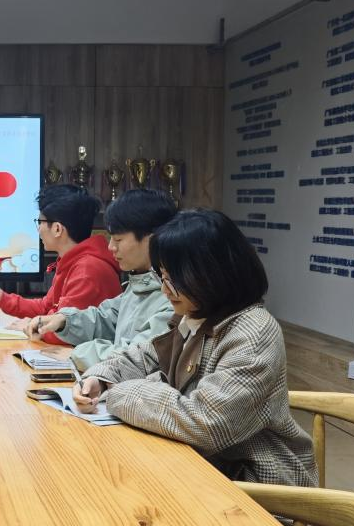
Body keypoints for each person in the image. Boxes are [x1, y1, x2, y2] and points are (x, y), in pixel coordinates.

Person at [73, 208, 316, 488]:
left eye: (173, 279)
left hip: (260, 488)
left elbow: (206, 423)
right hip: (204, 469)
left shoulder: (254, 333)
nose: (165, 290)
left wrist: (120, 392)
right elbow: (144, 356)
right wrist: (100, 379)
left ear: (212, 274)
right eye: (162, 276)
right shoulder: (195, 315)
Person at [26, 188, 176, 369]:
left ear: (151, 241)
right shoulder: (139, 283)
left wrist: (77, 355)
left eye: (118, 240)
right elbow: (105, 318)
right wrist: (64, 321)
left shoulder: (173, 296)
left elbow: (138, 356)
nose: (111, 247)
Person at [0, 184, 119, 344]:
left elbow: (67, 333)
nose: (38, 229)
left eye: (40, 222)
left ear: (57, 229)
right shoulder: (75, 261)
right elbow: (45, 307)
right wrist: (3, 299)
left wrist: (31, 326)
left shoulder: (87, 270)